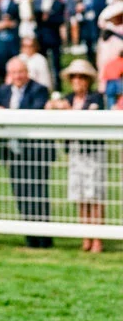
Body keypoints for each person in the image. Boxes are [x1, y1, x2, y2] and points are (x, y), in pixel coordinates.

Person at [0, 57, 54, 248]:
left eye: (20, 72)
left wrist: (6, 113)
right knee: (20, 193)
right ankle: (30, 237)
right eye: (14, 72)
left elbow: (34, 111)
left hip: (35, 152)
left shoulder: (39, 89)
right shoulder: (4, 90)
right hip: (12, 152)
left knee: (38, 194)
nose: (17, 76)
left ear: (27, 72)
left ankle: (44, 238)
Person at [59, 60, 106, 253]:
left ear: (88, 80)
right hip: (75, 152)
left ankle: (98, 238)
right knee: (80, 195)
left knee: (94, 194)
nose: (77, 80)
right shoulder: (67, 98)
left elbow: (92, 119)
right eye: (74, 77)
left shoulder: (97, 98)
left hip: (92, 152)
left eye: (82, 77)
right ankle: (86, 237)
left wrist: (68, 111)